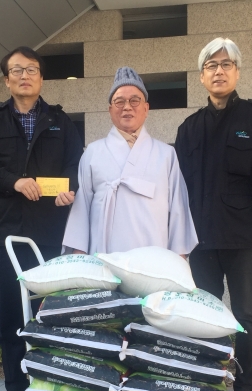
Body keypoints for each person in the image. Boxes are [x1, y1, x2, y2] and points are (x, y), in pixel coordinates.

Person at [0, 46, 83, 391]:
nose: (24, 76)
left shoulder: (60, 121)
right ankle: (15, 385)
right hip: (5, 234)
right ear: (7, 80)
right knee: (11, 313)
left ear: (41, 78)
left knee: (52, 311)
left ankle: (52, 383)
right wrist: (14, 182)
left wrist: (70, 189)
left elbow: (77, 164)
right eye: (17, 70)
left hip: (50, 232)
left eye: (31, 69)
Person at [175, 38, 252, 391]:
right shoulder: (189, 128)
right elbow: (179, 188)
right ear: (201, 76)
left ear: (236, 72)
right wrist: (179, 236)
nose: (218, 71)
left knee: (245, 314)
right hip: (200, 239)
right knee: (203, 313)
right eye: (211, 66)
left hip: (243, 237)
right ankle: (207, 381)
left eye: (226, 65)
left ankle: (246, 389)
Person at [62, 66, 198, 256]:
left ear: (146, 108)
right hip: (103, 258)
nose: (127, 107)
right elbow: (82, 210)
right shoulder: (93, 152)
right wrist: (80, 258)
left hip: (153, 259)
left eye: (135, 100)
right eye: (119, 101)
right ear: (110, 110)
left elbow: (178, 210)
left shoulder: (166, 154)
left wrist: (179, 259)